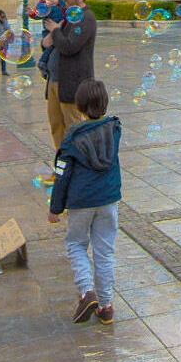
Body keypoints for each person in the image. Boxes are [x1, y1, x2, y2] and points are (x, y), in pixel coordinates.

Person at [47, 80, 121, 324]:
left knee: (76, 244)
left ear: (78, 107)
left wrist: (55, 207)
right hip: (109, 199)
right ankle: (106, 305)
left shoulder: (71, 139)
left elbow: (61, 175)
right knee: (105, 251)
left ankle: (86, 291)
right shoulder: (114, 129)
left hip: (81, 202)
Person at [41, 0, 98, 150]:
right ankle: (62, 164)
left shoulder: (86, 18)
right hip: (54, 79)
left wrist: (55, 30)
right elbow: (50, 43)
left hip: (70, 82)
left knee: (73, 128)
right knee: (56, 125)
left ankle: (78, 166)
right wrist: (52, 34)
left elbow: (69, 46)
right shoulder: (70, 15)